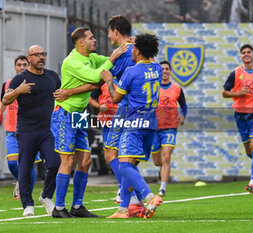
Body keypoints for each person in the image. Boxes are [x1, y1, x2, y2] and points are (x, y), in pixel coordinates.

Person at [50, 27, 128, 218]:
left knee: (85, 161)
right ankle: (59, 208)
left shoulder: (92, 58)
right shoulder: (72, 61)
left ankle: (77, 206)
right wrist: (111, 60)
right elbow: (97, 77)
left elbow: (111, 66)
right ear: (81, 42)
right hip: (64, 113)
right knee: (67, 161)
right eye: (91, 38)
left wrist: (127, 45)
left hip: (79, 114)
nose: (95, 40)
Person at [100, 33, 163, 219]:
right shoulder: (158, 69)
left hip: (134, 123)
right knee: (130, 167)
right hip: (151, 123)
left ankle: (150, 196)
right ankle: (123, 210)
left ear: (138, 50)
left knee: (124, 166)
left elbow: (116, 98)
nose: (131, 50)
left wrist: (109, 80)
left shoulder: (131, 72)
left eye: (134, 47)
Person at [2, 45, 61, 216]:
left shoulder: (52, 76)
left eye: (43, 54)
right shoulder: (20, 78)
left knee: (55, 163)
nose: (41, 57)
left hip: (47, 130)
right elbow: (5, 100)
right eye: (37, 55)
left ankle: (46, 196)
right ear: (29, 58)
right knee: (25, 168)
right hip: (26, 131)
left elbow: (60, 92)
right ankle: (28, 204)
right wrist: (18, 91)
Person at [222, 44, 253, 194]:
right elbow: (224, 93)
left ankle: (252, 181)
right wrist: (238, 93)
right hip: (241, 115)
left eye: (248, 52)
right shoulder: (236, 73)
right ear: (241, 56)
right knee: (249, 150)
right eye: (243, 52)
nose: (246, 54)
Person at [0, 55, 42, 200]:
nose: (21, 67)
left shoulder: (35, 83)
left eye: (24, 65)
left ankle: (26, 194)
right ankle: (21, 182)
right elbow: (4, 100)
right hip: (11, 129)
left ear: (28, 66)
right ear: (15, 67)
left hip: (31, 129)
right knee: (12, 162)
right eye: (19, 65)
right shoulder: (7, 83)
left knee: (30, 163)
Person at [151, 60, 187, 197]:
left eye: (167, 69)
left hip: (170, 128)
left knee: (166, 157)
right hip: (154, 128)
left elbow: (183, 105)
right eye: (162, 69)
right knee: (157, 161)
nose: (165, 71)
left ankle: (162, 188)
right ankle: (161, 169)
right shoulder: (152, 87)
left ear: (170, 72)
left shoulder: (177, 88)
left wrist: (183, 116)